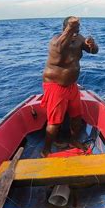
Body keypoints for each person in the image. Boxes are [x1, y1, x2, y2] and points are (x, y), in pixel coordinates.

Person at [40, 16, 99, 157]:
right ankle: (46, 150)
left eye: (77, 30)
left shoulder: (78, 38)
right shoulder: (56, 41)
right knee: (54, 122)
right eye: (72, 30)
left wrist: (92, 45)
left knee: (77, 117)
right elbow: (60, 49)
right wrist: (70, 28)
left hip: (72, 86)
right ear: (65, 29)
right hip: (55, 86)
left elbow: (94, 51)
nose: (75, 33)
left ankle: (74, 140)